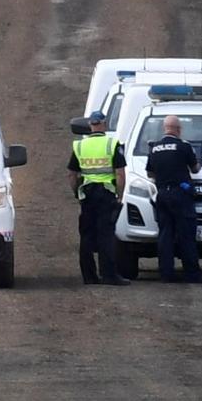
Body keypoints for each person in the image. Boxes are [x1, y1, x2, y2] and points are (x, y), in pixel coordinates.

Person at [67, 110, 130, 285]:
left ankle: (89, 276)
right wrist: (119, 194)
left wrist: (77, 193)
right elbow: (120, 174)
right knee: (106, 235)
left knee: (86, 236)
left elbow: (72, 174)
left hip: (87, 194)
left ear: (90, 125)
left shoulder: (80, 146)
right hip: (106, 193)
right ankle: (109, 275)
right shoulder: (112, 144)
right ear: (104, 123)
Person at [146, 115, 202, 283]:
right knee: (186, 235)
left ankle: (166, 274)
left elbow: (150, 173)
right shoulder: (184, 147)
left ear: (165, 128)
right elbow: (195, 169)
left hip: (162, 195)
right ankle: (192, 274)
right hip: (180, 194)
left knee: (165, 235)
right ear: (178, 129)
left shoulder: (154, 148)